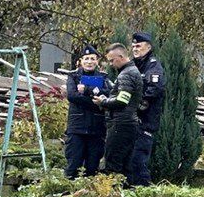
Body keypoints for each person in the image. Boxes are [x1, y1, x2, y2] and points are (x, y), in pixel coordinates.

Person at [95, 43, 145, 180]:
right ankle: (126, 194)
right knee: (125, 165)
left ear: (121, 57)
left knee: (112, 163)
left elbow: (122, 100)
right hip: (129, 122)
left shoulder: (126, 74)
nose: (110, 64)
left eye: (112, 60)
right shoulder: (133, 71)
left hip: (120, 123)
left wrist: (103, 102)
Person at [63, 48, 108, 178]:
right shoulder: (73, 76)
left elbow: (108, 94)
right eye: (86, 59)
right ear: (80, 61)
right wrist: (96, 101)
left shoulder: (103, 77)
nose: (89, 62)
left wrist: (87, 90)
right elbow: (72, 96)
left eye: (92, 59)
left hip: (96, 129)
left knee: (92, 169)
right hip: (77, 128)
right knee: (73, 166)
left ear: (97, 61)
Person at [129, 31, 166, 188]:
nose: (135, 49)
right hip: (130, 121)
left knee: (139, 161)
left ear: (148, 47)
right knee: (129, 161)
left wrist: (137, 102)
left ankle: (145, 193)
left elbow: (155, 89)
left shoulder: (153, 66)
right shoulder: (132, 65)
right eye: (133, 46)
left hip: (145, 121)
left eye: (139, 46)